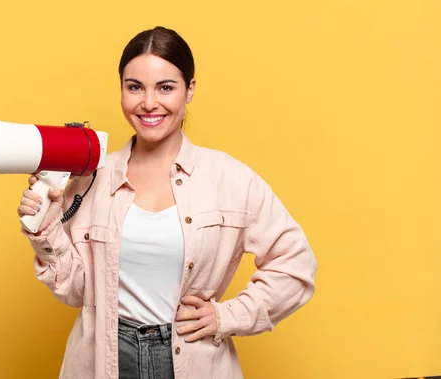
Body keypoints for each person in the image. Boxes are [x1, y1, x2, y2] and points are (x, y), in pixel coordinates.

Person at [17, 26, 317, 379]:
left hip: (193, 360)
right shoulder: (91, 178)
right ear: (122, 91)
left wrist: (227, 315)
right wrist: (45, 229)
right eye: (134, 87)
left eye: (165, 87)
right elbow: (76, 292)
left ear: (189, 90)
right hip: (104, 357)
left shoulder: (230, 179)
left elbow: (295, 265)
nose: (148, 103)